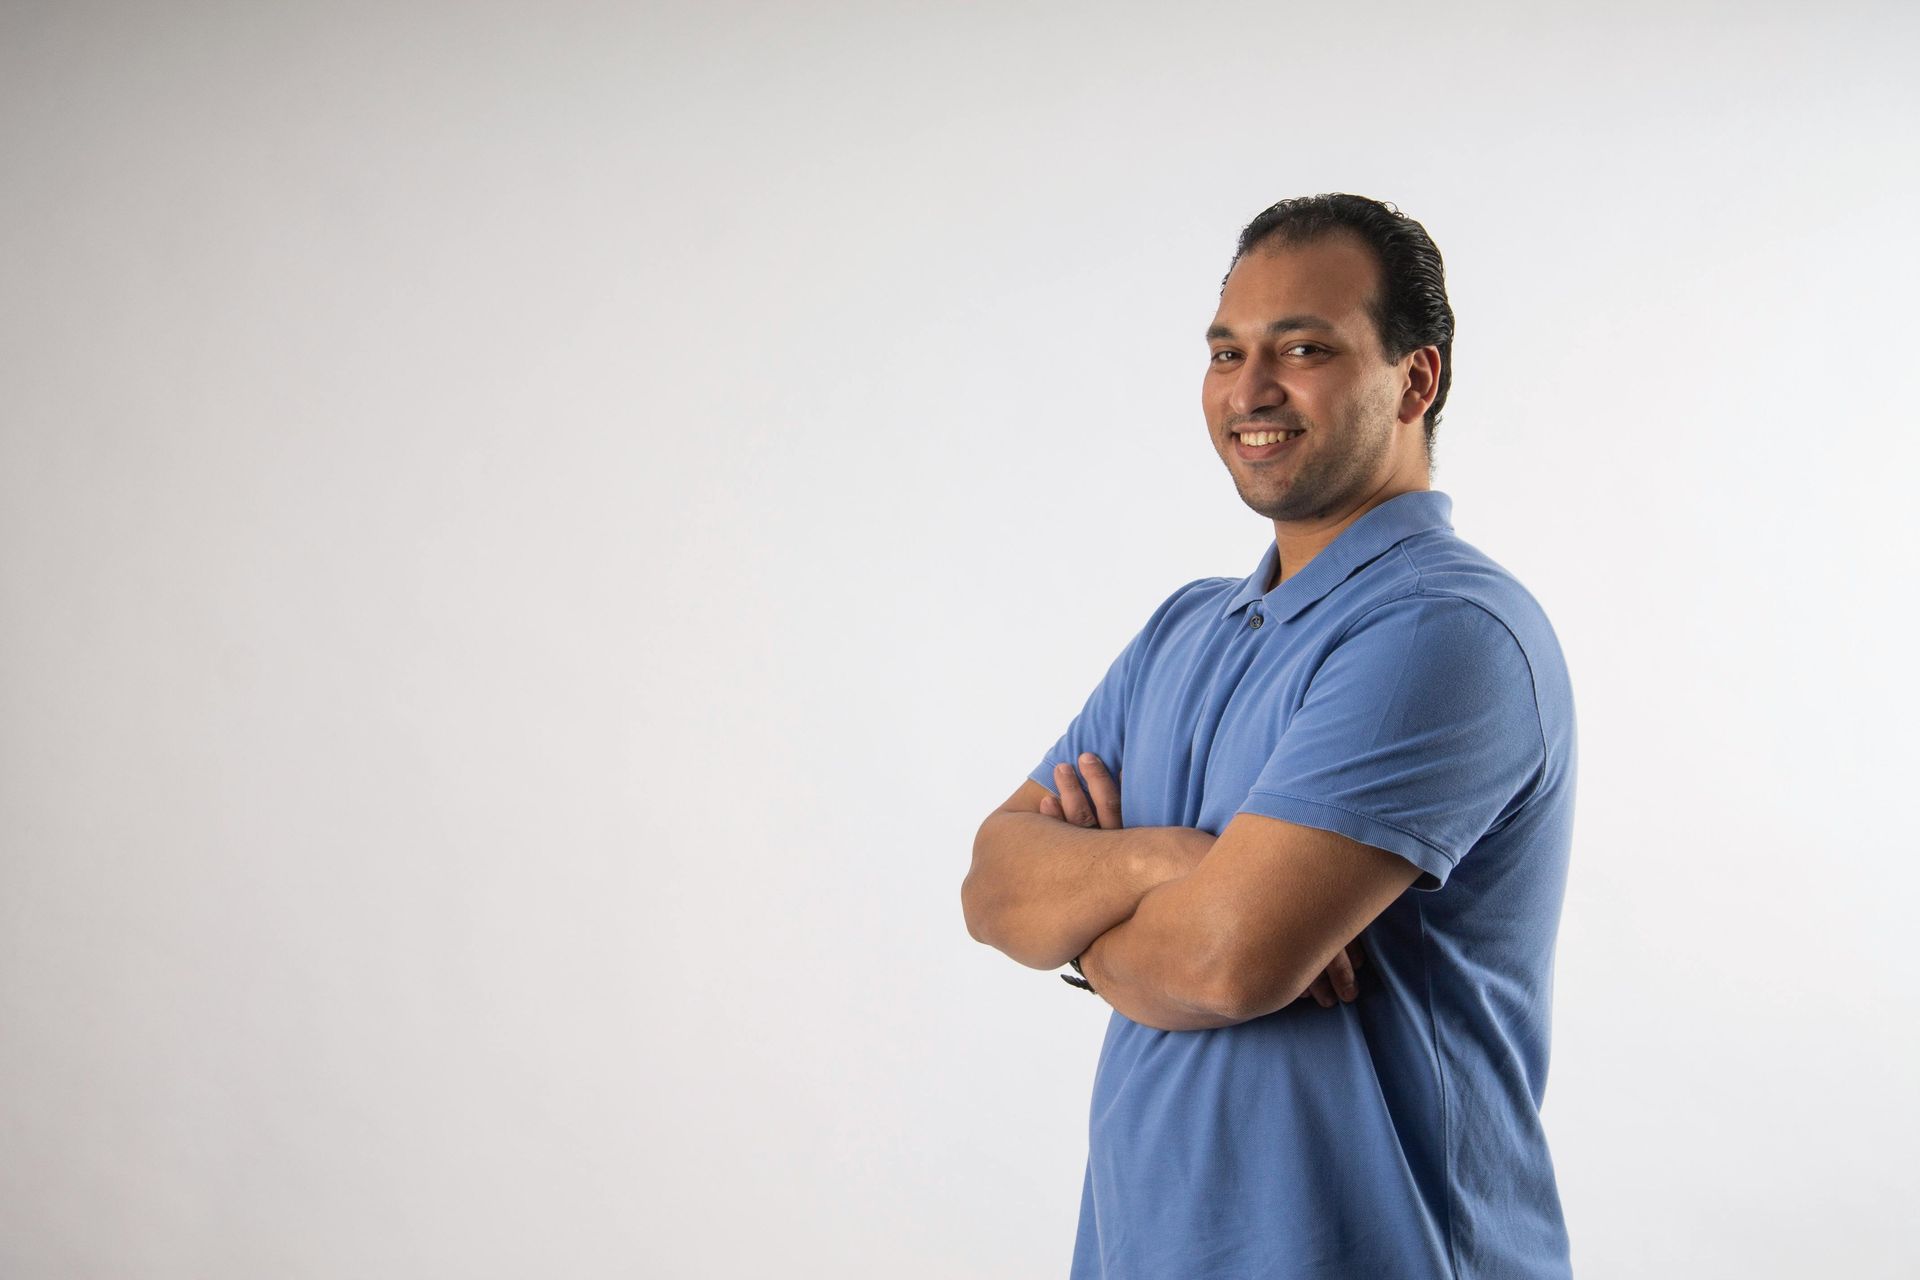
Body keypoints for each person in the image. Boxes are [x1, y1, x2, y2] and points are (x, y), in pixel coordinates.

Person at [961, 193, 1577, 1279]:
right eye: (1226, 350)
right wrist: (1167, 860)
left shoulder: (1444, 630)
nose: (1250, 390)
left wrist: (1090, 924)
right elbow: (992, 888)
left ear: (1414, 380)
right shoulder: (1183, 630)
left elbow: (1224, 959)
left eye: (1304, 348)